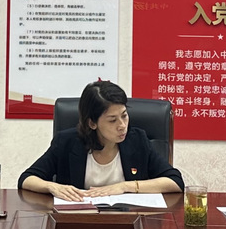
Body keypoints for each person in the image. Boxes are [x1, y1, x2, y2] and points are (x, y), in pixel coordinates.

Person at [19, 81, 184, 200]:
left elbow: (175, 182)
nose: (122, 126)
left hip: (128, 223)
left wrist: (124, 186)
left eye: (124, 115)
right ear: (92, 123)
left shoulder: (137, 140)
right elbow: (26, 179)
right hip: (77, 223)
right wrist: (52, 186)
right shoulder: (67, 142)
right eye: (112, 120)